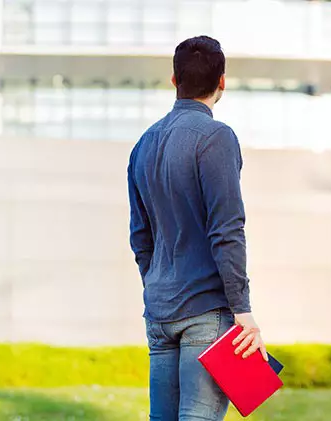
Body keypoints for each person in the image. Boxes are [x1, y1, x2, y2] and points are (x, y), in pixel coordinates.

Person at [127, 36, 268, 421]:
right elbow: (227, 229)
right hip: (207, 309)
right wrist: (243, 310)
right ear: (222, 81)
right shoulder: (216, 138)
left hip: (160, 311)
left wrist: (156, 284)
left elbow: (140, 237)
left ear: (174, 80)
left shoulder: (143, 145)